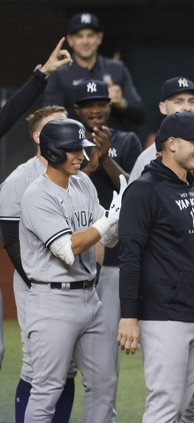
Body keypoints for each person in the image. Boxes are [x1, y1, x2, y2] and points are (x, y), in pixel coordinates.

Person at [117, 112, 194, 422]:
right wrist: (129, 315)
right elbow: (130, 255)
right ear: (171, 143)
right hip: (163, 315)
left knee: (179, 408)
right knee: (165, 407)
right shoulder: (144, 189)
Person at [19, 118, 121, 421]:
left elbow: (107, 239)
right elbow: (67, 249)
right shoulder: (37, 195)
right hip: (52, 301)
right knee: (48, 388)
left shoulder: (83, 183)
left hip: (90, 297)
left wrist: (115, 222)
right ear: (51, 151)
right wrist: (107, 221)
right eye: (72, 149)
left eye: (82, 148)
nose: (81, 155)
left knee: (105, 382)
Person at [0, 106, 78, 423]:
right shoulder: (20, 179)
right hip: (36, 283)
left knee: (67, 364)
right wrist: (34, 280)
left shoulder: (77, 176)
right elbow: (10, 238)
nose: (65, 128)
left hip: (73, 282)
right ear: (38, 137)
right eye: (55, 125)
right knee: (36, 363)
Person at [72, 79, 142, 400]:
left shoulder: (126, 140)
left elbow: (136, 191)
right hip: (73, 252)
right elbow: (60, 186)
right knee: (64, 358)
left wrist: (107, 159)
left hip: (113, 257)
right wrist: (91, 164)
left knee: (105, 355)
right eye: (88, 104)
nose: (95, 110)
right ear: (77, 110)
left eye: (100, 103)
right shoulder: (66, 139)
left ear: (109, 106)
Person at [43, 12, 145, 131]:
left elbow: (140, 116)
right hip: (75, 145)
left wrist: (121, 103)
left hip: (114, 143)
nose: (85, 41)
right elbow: (50, 119)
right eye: (79, 36)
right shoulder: (59, 73)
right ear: (70, 40)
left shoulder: (117, 69)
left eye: (90, 35)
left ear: (99, 38)